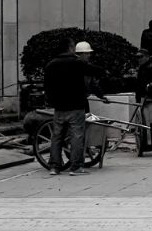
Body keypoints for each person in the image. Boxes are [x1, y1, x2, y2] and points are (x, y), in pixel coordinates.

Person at [43, 39, 105, 175]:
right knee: (76, 136)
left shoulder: (51, 65)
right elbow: (97, 71)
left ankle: (54, 167)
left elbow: (47, 87)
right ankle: (75, 167)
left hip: (59, 107)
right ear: (71, 48)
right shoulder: (77, 63)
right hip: (76, 106)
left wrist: (52, 101)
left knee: (57, 137)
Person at [135, 51, 152, 152]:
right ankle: (148, 144)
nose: (139, 59)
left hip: (148, 98)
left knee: (147, 122)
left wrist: (148, 95)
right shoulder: (143, 67)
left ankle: (148, 144)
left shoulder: (151, 68)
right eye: (137, 57)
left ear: (147, 57)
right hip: (144, 97)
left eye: (140, 57)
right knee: (146, 121)